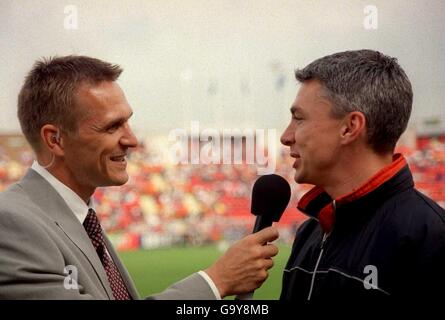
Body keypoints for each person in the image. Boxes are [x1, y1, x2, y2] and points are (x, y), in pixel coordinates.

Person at [0, 55, 279, 300]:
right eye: (112, 126)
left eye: (128, 121)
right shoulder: (12, 224)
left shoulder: (80, 218)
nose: (132, 140)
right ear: (55, 139)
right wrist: (216, 281)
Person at [279, 49, 445, 301]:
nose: (286, 136)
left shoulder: (430, 237)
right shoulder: (310, 232)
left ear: (350, 127)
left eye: (299, 119)